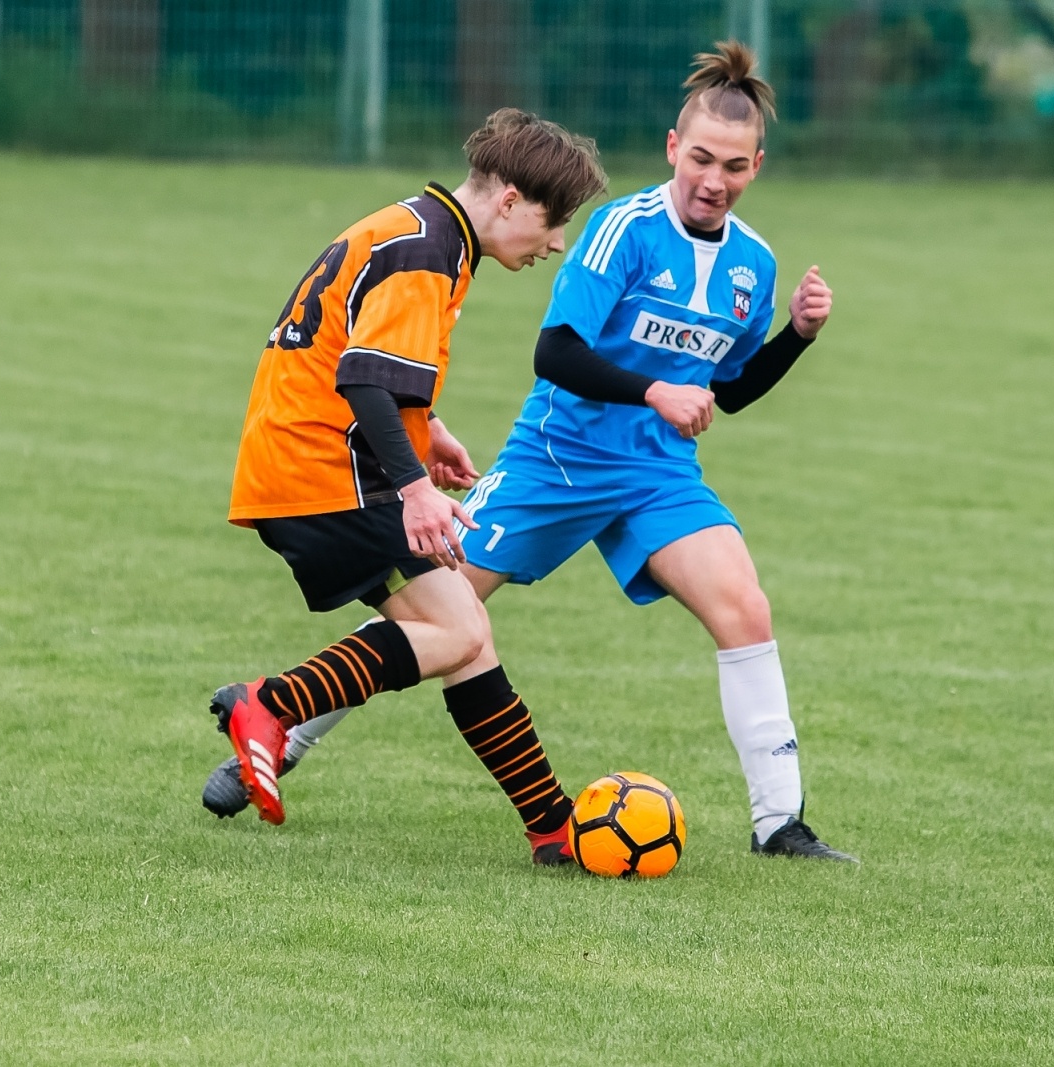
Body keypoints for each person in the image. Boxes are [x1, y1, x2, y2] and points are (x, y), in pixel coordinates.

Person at [229, 43, 858, 864]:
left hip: (658, 476)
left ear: (757, 166)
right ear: (674, 147)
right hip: (556, 461)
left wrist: (796, 336)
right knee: (443, 609)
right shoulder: (620, 230)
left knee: (745, 609)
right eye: (702, 158)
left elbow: (730, 390)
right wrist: (653, 391)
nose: (715, 179)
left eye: (734, 166)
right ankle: (281, 736)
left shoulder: (754, 262)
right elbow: (554, 352)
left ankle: (778, 822)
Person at [200, 107, 607, 867]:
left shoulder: (421, 227)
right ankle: (272, 704)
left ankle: (551, 827)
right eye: (554, 222)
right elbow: (362, 378)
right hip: (326, 472)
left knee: (464, 627)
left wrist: (430, 426)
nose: (556, 243)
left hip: (306, 463)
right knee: (457, 631)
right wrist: (416, 487)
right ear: (510, 199)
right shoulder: (429, 251)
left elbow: (359, 349)